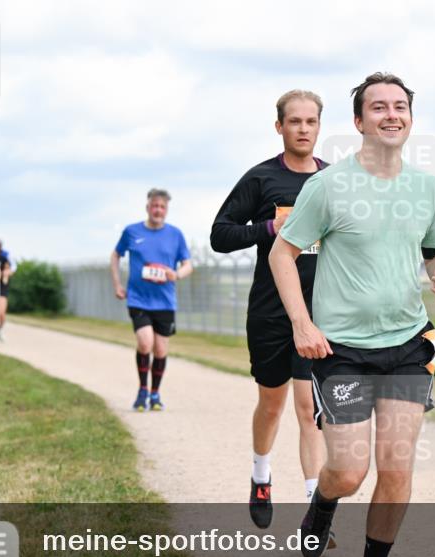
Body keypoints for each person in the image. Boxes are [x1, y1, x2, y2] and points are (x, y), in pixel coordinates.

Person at [269, 72, 435, 557]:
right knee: (350, 472)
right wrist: (302, 325)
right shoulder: (328, 186)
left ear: (410, 119)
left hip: (407, 343)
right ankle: (322, 506)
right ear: (358, 121)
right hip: (342, 351)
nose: (391, 115)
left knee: (397, 467)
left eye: (400, 106)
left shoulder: (426, 188)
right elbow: (282, 254)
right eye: (379, 107)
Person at [210, 89, 331, 529]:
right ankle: (261, 475)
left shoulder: (333, 181)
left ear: (319, 126)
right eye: (294, 121)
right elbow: (220, 235)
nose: (303, 129)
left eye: (311, 121)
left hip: (318, 313)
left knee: (309, 407)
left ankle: (316, 508)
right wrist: (268, 227)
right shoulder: (260, 179)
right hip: (269, 312)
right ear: (279, 127)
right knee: (271, 404)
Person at [111, 188, 193, 411]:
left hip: (165, 301)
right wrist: (117, 284)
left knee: (160, 350)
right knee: (145, 342)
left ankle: (155, 394)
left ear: (166, 210)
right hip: (138, 299)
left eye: (162, 207)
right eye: (154, 206)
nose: (158, 210)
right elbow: (116, 255)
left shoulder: (175, 234)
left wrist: (176, 274)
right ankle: (142, 391)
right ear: (147, 207)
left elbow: (188, 265)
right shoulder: (132, 231)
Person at [0, 241, 16, 339]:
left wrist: (7, 272)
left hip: (2, 287)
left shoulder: (5, 255)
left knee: (2, 313)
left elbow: (14, 267)